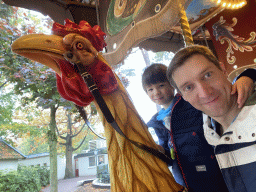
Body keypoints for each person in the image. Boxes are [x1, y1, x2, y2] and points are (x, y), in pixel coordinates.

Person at [142, 62, 256, 191]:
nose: (156, 92)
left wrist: (247, 77)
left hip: (214, 175)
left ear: (173, 85)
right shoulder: (157, 123)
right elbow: (169, 156)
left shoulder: (189, 103)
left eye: (161, 86)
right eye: (150, 89)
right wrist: (160, 151)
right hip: (186, 182)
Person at [167, 44, 256, 192]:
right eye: (189, 87)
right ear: (184, 97)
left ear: (222, 69)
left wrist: (250, 75)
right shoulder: (209, 132)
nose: (204, 93)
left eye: (207, 75)